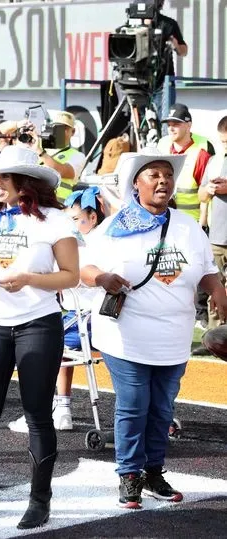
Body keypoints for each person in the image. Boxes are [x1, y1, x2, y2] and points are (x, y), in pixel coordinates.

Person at [81, 150, 227, 510]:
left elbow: (206, 269)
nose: (162, 181)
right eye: (153, 175)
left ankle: (153, 472)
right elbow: (85, 268)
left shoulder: (187, 225)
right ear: (136, 184)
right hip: (126, 334)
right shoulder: (114, 226)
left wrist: (220, 291)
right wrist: (102, 278)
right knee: (134, 405)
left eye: (167, 175)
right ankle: (129, 475)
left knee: (162, 409)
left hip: (173, 336)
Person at [0, 145, 79, 529]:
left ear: (25, 182)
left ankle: (39, 499)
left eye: (3, 178)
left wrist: (29, 280)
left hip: (38, 324)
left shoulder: (55, 220)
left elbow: (71, 275)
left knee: (38, 415)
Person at [8, 186, 106, 433]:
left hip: (86, 320)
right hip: (105, 320)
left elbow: (75, 274)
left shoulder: (83, 244)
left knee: (46, 346)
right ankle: (61, 408)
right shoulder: (106, 238)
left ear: (92, 217)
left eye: (75, 219)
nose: (70, 224)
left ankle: (61, 408)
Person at [1, 112, 84, 203]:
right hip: (34, 206)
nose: (60, 131)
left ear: (73, 132)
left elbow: (61, 171)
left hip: (60, 208)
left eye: (65, 128)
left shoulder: (77, 156)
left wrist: (39, 151)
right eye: (56, 127)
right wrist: (19, 125)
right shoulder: (36, 143)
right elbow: (3, 130)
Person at [158, 103, 215, 224]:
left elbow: (206, 193)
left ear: (189, 125)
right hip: (163, 219)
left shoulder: (201, 152)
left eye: (176, 124)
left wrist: (202, 226)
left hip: (191, 222)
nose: (171, 129)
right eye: (169, 125)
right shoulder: (162, 145)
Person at [198, 116, 227, 331]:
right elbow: (201, 195)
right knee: (215, 289)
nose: (225, 146)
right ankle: (215, 337)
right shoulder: (214, 160)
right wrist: (207, 190)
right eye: (223, 142)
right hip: (216, 236)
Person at [150, 0, 188, 116]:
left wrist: (175, 45)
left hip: (163, 85)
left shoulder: (169, 24)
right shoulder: (132, 24)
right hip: (138, 86)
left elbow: (183, 51)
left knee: (166, 124)